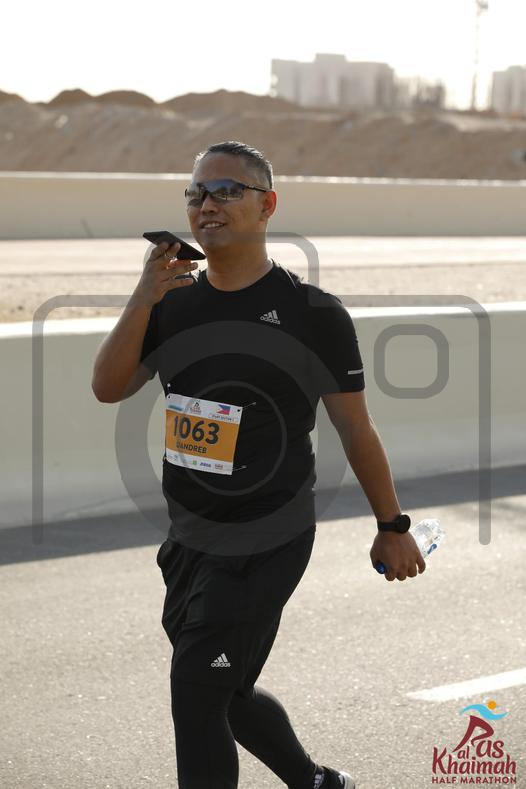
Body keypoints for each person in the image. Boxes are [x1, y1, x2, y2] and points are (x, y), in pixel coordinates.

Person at [91, 141, 426, 789]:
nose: (206, 204)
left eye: (225, 190)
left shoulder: (313, 313)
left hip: (267, 535)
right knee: (228, 689)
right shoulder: (172, 302)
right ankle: (319, 782)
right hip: (189, 536)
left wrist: (393, 524)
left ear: (267, 205)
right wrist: (143, 295)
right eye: (195, 193)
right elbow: (109, 387)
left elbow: (354, 427)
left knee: (196, 692)